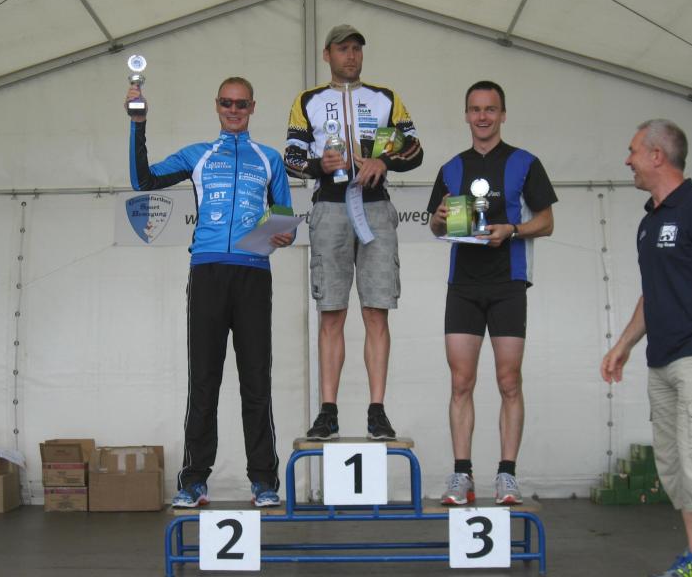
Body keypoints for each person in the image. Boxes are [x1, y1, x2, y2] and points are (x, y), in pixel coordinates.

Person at [126, 76, 294, 508]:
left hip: (254, 274)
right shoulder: (198, 155)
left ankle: (264, 480)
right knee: (204, 382)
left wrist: (283, 234)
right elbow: (143, 180)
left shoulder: (270, 158)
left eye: (241, 104)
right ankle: (194, 480)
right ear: (217, 105)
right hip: (207, 273)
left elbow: (284, 217)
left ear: (253, 107)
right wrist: (138, 123)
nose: (234, 110)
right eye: (226, 103)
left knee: (256, 382)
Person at [601, 119, 692, 577]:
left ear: (657, 155)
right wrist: (623, 345)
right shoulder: (649, 223)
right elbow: (653, 295)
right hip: (660, 361)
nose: (628, 161)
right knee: (676, 467)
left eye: (633, 151)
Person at [284, 25, 423, 441]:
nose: (351, 56)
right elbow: (291, 156)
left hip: (375, 206)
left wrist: (386, 162)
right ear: (327, 54)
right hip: (329, 205)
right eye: (343, 49)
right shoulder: (308, 100)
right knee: (331, 312)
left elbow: (415, 149)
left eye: (357, 49)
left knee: (377, 310)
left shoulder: (385, 97)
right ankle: (328, 411)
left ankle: (377, 410)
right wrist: (317, 166)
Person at [427, 81, 557, 506]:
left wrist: (512, 230)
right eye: (475, 109)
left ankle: (507, 475)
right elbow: (436, 226)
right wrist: (440, 218)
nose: (482, 116)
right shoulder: (451, 168)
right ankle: (461, 475)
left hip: (508, 283)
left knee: (509, 381)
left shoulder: (525, 162)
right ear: (466, 115)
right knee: (460, 382)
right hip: (463, 285)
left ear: (502, 114)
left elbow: (546, 222)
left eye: (490, 109)